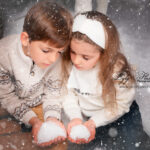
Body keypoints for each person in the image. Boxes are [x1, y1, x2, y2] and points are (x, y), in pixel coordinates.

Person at [0, 0, 72, 147]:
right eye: (46, 50)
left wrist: (51, 120)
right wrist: (32, 120)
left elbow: (53, 95)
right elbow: (7, 97)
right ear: (25, 39)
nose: (53, 59)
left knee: (58, 140)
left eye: (59, 51)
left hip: (40, 104)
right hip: (6, 102)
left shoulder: (56, 62)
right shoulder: (4, 53)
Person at [62, 11, 135, 144]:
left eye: (86, 57)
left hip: (119, 113)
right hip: (89, 118)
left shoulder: (118, 71)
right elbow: (68, 94)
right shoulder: (68, 64)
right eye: (73, 52)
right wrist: (75, 117)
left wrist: (95, 121)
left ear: (104, 53)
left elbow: (121, 104)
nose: (77, 61)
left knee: (132, 144)